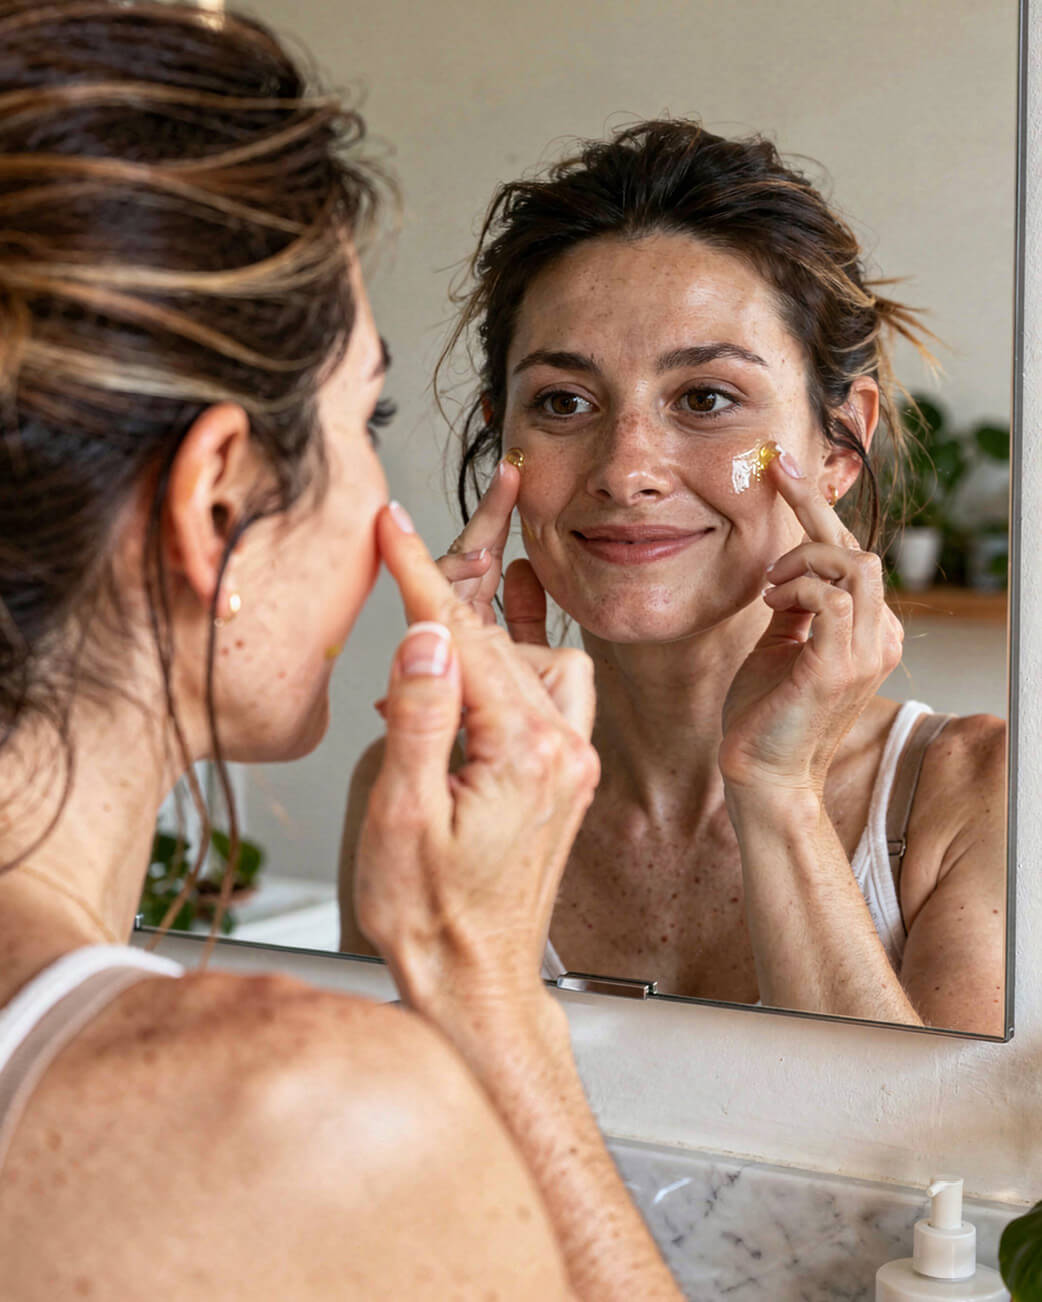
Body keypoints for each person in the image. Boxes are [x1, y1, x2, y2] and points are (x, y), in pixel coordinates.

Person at [0, 7, 685, 1298]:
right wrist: (483, 980)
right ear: (218, 503)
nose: (630, 470)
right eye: (364, 416)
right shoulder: (291, 1124)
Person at [339, 121, 1007, 1035]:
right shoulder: (421, 787)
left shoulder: (980, 794)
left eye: (706, 398)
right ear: (505, 439)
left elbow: (913, 1135)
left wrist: (778, 795)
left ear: (839, 445)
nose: (626, 470)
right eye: (564, 402)